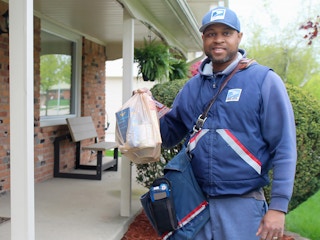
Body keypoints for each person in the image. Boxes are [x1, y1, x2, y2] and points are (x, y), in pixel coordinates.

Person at [158, 6, 297, 240]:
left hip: (243, 205)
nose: (218, 39)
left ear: (239, 37)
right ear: (203, 39)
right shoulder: (191, 88)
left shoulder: (263, 80)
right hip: (194, 202)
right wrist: (146, 115)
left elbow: (284, 147)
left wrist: (278, 207)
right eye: (211, 33)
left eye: (226, 33)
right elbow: (169, 135)